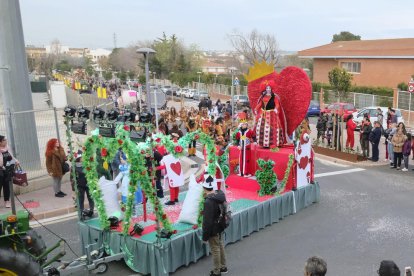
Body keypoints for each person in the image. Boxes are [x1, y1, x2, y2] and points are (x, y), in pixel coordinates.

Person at [202, 177, 228, 276]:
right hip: (220, 225)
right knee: (220, 245)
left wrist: (205, 236)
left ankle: (217, 271)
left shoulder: (208, 202)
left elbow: (207, 222)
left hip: (213, 228)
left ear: (205, 188)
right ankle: (223, 267)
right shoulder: (219, 195)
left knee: (215, 249)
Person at [254, 81, 287, 148]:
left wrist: (276, 109)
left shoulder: (274, 97)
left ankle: (273, 143)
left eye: (269, 88)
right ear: (265, 89)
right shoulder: (263, 96)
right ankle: (262, 143)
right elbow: (260, 104)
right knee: (260, 128)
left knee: (273, 129)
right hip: (263, 114)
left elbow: (277, 104)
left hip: (272, 115)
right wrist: (256, 109)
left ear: (271, 88)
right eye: (267, 88)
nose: (268, 89)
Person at [71, 150, 94, 217]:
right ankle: (81, 212)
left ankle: (91, 211)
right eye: (82, 157)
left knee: (90, 198)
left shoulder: (87, 164)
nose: (84, 158)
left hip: (88, 184)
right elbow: (72, 178)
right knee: (81, 199)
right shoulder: (74, 167)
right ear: (79, 158)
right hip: (80, 186)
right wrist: (74, 189)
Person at [0, 135, 19, 208]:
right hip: (0, 169)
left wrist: (16, 161)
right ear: (0, 142)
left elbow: (11, 156)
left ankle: (7, 201)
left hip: (7, 169)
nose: (6, 141)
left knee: (6, 185)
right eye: (4, 140)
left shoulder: (7, 147)